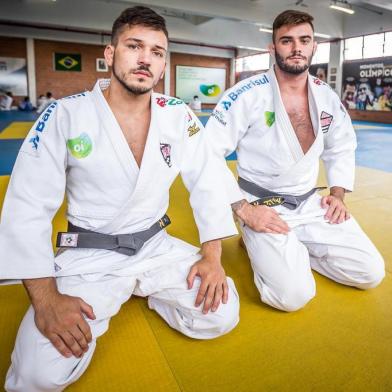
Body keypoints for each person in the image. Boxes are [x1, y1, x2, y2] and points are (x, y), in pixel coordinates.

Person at [0, 6, 239, 391]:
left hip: (156, 245)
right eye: (134, 46)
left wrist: (211, 258)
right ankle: (121, 291)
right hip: (91, 256)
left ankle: (150, 291)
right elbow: (26, 206)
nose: (146, 59)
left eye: (157, 52)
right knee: (36, 375)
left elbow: (210, 181)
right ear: (110, 55)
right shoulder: (66, 115)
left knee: (222, 313)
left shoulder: (178, 116)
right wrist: (46, 302)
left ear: (163, 65)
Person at [206, 10, 385, 313]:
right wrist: (244, 210)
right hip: (263, 206)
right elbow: (207, 155)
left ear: (314, 46)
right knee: (293, 296)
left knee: (371, 273)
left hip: (311, 203)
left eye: (304, 40)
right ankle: (255, 241)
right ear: (272, 48)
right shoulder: (244, 95)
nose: (296, 47)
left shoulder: (326, 95)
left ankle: (294, 249)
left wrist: (338, 194)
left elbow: (341, 145)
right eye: (286, 41)